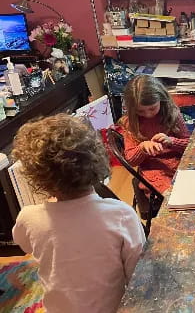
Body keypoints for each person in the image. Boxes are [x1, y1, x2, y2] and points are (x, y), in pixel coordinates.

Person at [12, 114, 146, 313]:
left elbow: (23, 243)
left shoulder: (29, 218)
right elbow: (139, 274)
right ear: (97, 159)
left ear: (37, 177)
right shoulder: (121, 215)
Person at [120, 75, 190, 218]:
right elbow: (131, 160)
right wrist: (142, 148)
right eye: (140, 111)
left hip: (178, 163)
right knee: (174, 198)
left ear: (161, 99)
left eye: (152, 108)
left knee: (194, 188)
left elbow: (190, 146)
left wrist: (172, 141)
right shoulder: (130, 123)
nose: (148, 114)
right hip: (153, 170)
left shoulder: (172, 114)